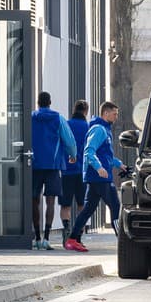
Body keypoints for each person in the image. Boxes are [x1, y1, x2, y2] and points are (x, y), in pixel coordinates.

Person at [65, 101, 128, 252]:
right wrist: (99, 168)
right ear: (106, 113)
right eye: (115, 114)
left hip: (99, 176)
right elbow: (89, 151)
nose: (116, 117)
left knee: (88, 208)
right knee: (115, 206)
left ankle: (72, 239)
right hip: (99, 176)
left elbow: (106, 155)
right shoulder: (99, 129)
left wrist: (120, 164)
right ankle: (124, 243)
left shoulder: (105, 129)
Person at [31, 92, 76, 250]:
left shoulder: (31, 117)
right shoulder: (58, 118)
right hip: (53, 165)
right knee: (50, 202)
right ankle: (47, 238)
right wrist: (73, 155)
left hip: (34, 164)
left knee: (34, 200)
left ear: (38, 102)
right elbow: (69, 140)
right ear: (50, 102)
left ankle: (36, 237)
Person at [58, 99, 89, 247]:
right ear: (86, 111)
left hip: (66, 171)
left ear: (73, 109)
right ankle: (77, 237)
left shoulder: (66, 125)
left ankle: (66, 230)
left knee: (66, 205)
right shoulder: (88, 127)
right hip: (82, 171)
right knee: (82, 205)